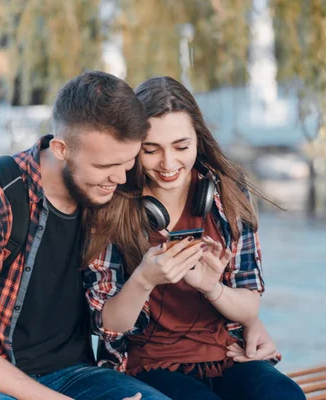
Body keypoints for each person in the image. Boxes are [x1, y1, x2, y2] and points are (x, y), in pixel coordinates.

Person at [0, 71, 170, 400]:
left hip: (73, 374)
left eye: (127, 163)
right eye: (106, 166)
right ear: (61, 149)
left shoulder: (105, 196)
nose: (118, 178)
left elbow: (109, 321)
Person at [84, 76, 306, 400]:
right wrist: (144, 279)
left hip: (227, 355)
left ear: (198, 140)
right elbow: (108, 324)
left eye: (181, 146)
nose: (169, 164)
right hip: (146, 366)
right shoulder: (113, 206)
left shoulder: (228, 193)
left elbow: (249, 307)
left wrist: (213, 288)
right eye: (151, 150)